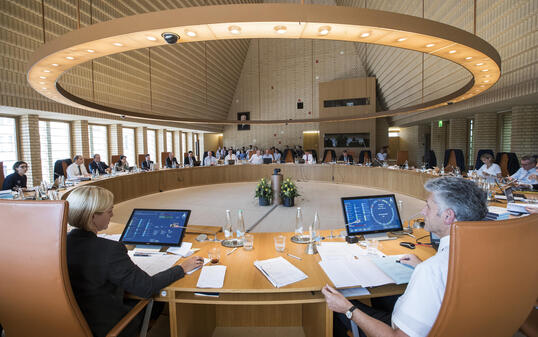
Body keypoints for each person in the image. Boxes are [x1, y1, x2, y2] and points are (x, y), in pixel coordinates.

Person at [322, 176, 488, 337]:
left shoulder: (431, 271)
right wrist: (421, 266)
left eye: (428, 206)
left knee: (334, 303)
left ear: (448, 216)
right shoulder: (485, 254)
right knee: (385, 293)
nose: (423, 211)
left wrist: (348, 309)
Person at [66, 186, 203, 337]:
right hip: (106, 325)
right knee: (158, 299)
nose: (112, 214)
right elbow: (147, 287)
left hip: (72, 322)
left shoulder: (59, 244)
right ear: (93, 216)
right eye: (109, 211)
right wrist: (182, 267)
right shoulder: (110, 250)